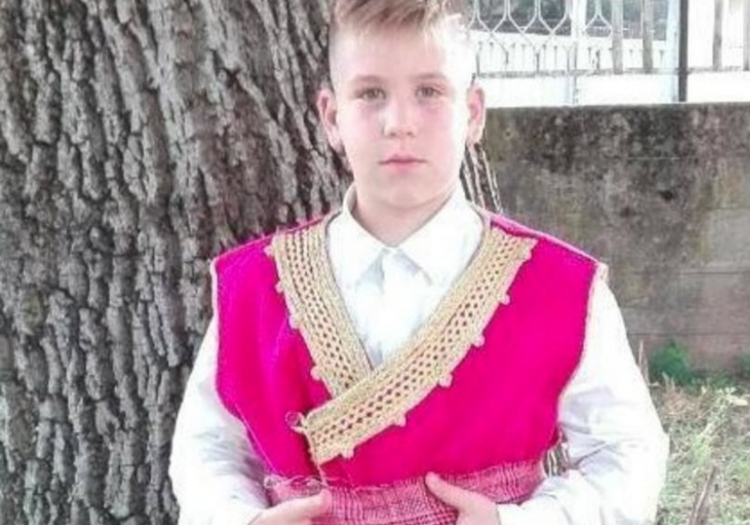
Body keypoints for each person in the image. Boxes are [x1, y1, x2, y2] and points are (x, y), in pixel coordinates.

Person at [168, 1, 669, 524]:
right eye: (370, 94)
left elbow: (627, 453)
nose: (399, 123)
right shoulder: (253, 288)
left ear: (473, 113)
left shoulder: (559, 290)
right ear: (332, 117)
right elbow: (209, 447)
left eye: (429, 91)